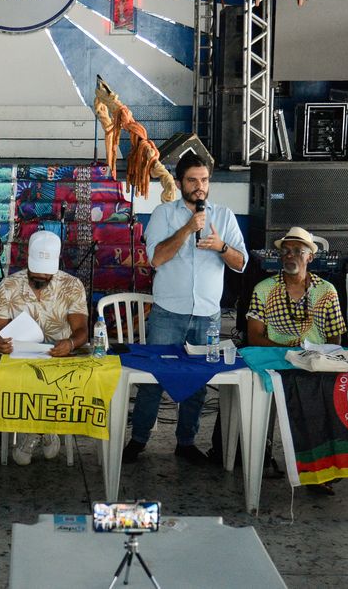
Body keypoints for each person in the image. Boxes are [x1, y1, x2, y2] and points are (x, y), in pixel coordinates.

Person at [122, 153, 248, 465]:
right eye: (192, 180)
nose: (199, 186)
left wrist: (221, 247)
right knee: (154, 378)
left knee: (197, 382)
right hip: (168, 313)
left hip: (207, 316)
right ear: (179, 184)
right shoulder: (164, 214)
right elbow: (157, 259)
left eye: (204, 180)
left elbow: (242, 263)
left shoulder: (224, 216)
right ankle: (138, 439)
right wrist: (187, 229)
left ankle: (186, 442)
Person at [0, 230, 89, 465]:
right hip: (19, 357)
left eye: (47, 271)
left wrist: (71, 343)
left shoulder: (72, 286)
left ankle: (36, 429)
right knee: (15, 376)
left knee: (51, 377)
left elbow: (82, 330)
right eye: (37, 269)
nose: (42, 276)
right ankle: (43, 427)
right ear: (27, 260)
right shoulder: (9, 285)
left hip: (58, 358)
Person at [246, 227, 346, 347]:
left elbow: (335, 338)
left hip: (315, 360)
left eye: (298, 251)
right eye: (285, 251)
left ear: (310, 257)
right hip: (277, 358)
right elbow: (254, 337)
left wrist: (323, 359)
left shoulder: (327, 291)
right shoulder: (263, 289)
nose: (289, 255)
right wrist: (290, 354)